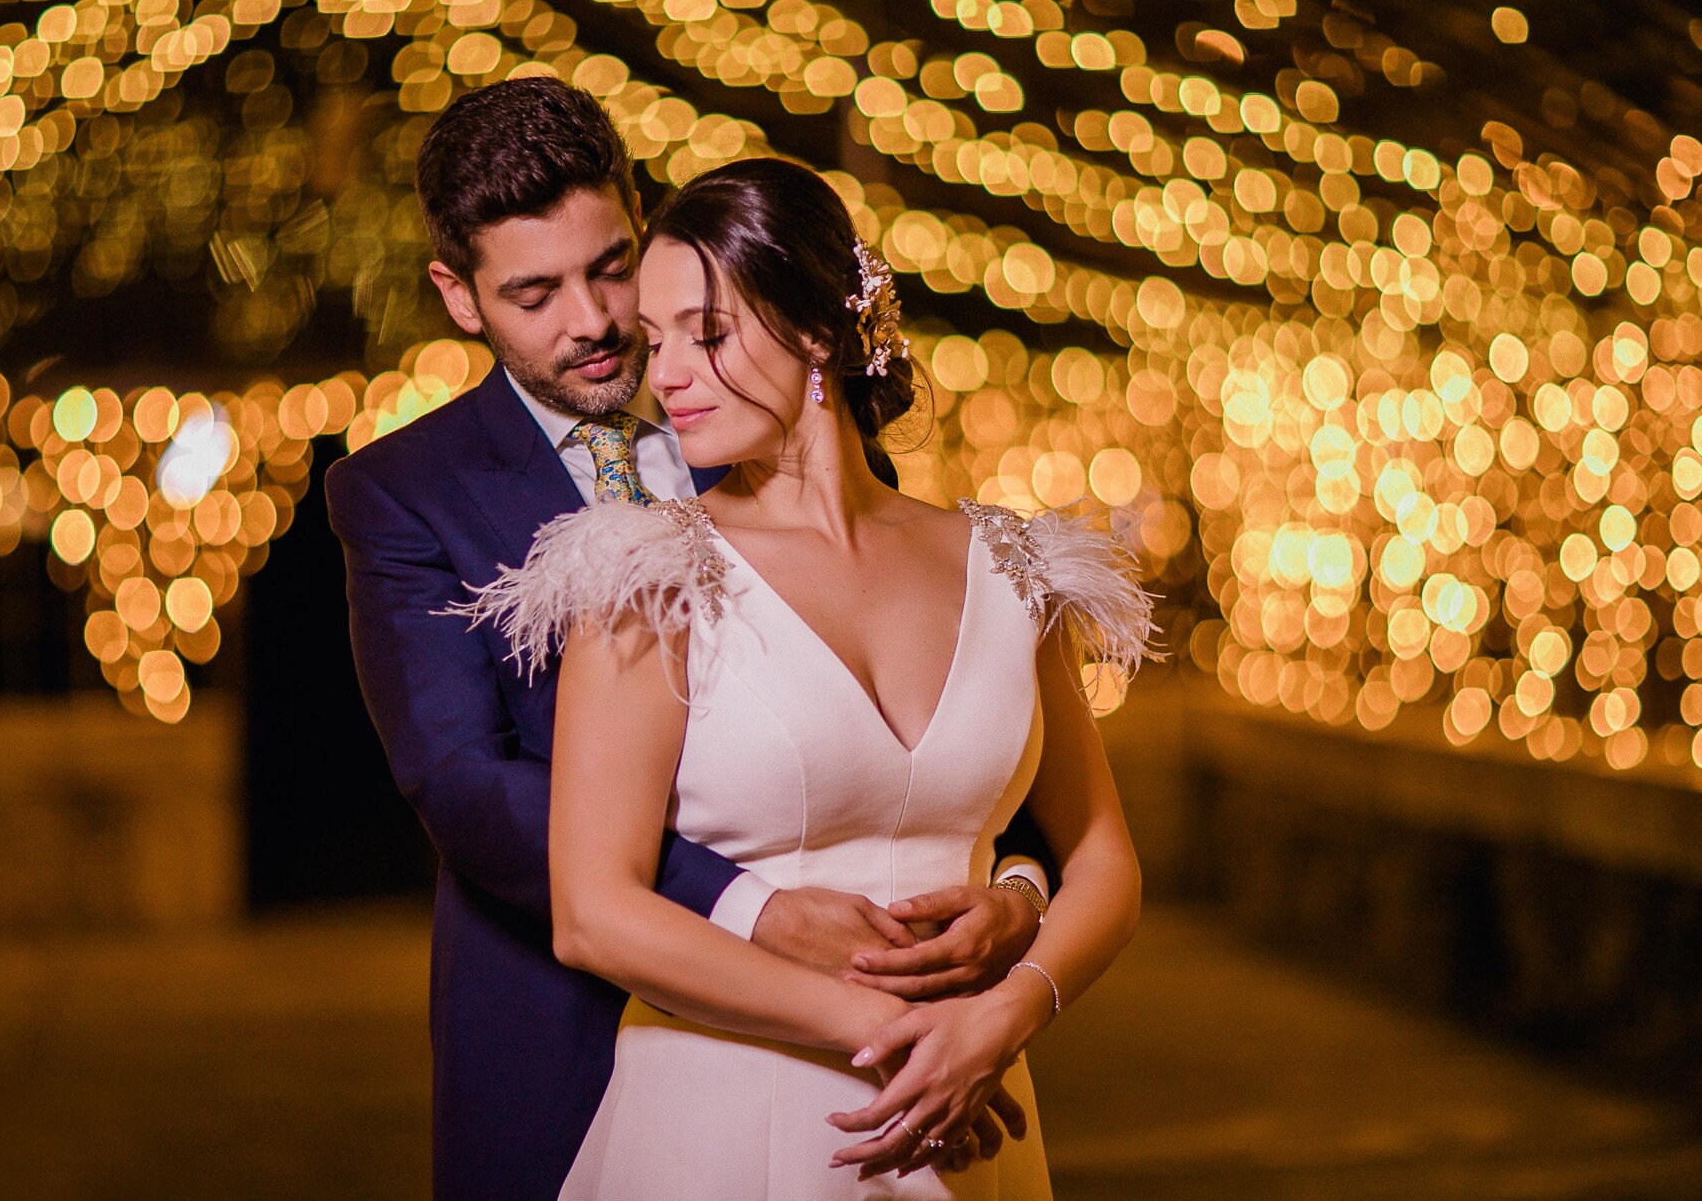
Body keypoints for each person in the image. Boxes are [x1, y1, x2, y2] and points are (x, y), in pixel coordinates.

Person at [326, 78, 1057, 1201]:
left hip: (904, 1055)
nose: (594, 320)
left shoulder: (771, 410)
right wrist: (751, 906)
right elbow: (464, 778)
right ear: (457, 295)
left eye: (610, 265)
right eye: (533, 292)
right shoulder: (402, 494)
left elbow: (959, 721)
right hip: (559, 1028)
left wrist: (1012, 888)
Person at [459, 157, 1151, 1197]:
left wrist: (1007, 1012)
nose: (670, 375)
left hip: (972, 1116)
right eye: (656, 343)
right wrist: (893, 1033)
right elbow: (593, 910)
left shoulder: (1012, 565)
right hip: (727, 1120)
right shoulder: (645, 572)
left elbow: (1100, 856)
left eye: (709, 332)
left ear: (820, 329)